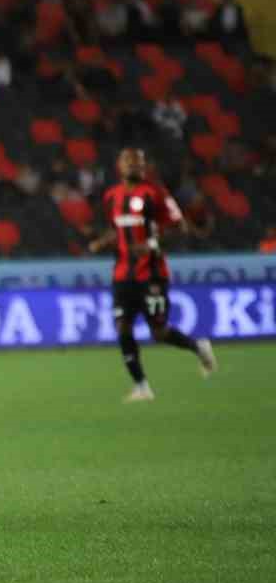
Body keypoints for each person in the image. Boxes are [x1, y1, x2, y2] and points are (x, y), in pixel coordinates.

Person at [87, 148, 216, 402]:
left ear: (144, 167)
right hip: (123, 273)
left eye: (138, 161)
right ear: (119, 166)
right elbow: (119, 230)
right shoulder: (111, 196)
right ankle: (141, 386)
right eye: (128, 161)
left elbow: (179, 226)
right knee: (122, 328)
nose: (133, 165)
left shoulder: (155, 193)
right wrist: (101, 242)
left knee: (158, 332)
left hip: (152, 273)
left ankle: (198, 347)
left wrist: (153, 244)